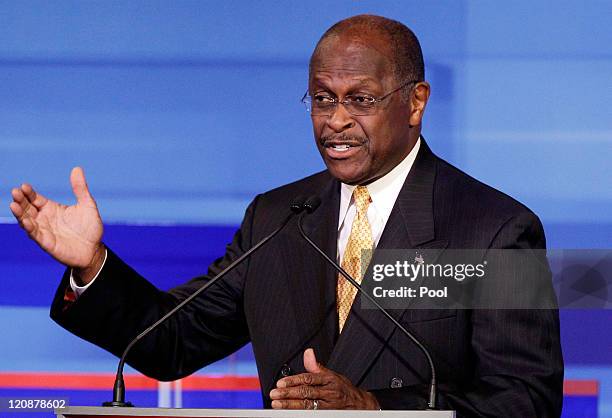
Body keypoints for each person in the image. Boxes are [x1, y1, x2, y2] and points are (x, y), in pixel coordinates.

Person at [9, 14, 563, 416]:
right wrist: (92, 266)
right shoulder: (277, 218)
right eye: (322, 99)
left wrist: (377, 407)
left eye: (360, 100)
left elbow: (527, 398)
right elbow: (170, 342)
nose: (336, 122)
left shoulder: (493, 229)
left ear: (415, 102)